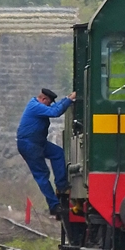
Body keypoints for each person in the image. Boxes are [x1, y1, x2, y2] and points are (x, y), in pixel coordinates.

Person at [16, 87, 76, 218]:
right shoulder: (35, 106)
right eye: (48, 102)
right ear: (43, 99)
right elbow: (55, 112)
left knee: (58, 153)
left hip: (38, 142)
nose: (49, 105)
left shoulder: (38, 105)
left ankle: (62, 185)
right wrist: (69, 100)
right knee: (42, 175)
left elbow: (53, 108)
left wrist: (67, 99)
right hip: (29, 144)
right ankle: (54, 206)